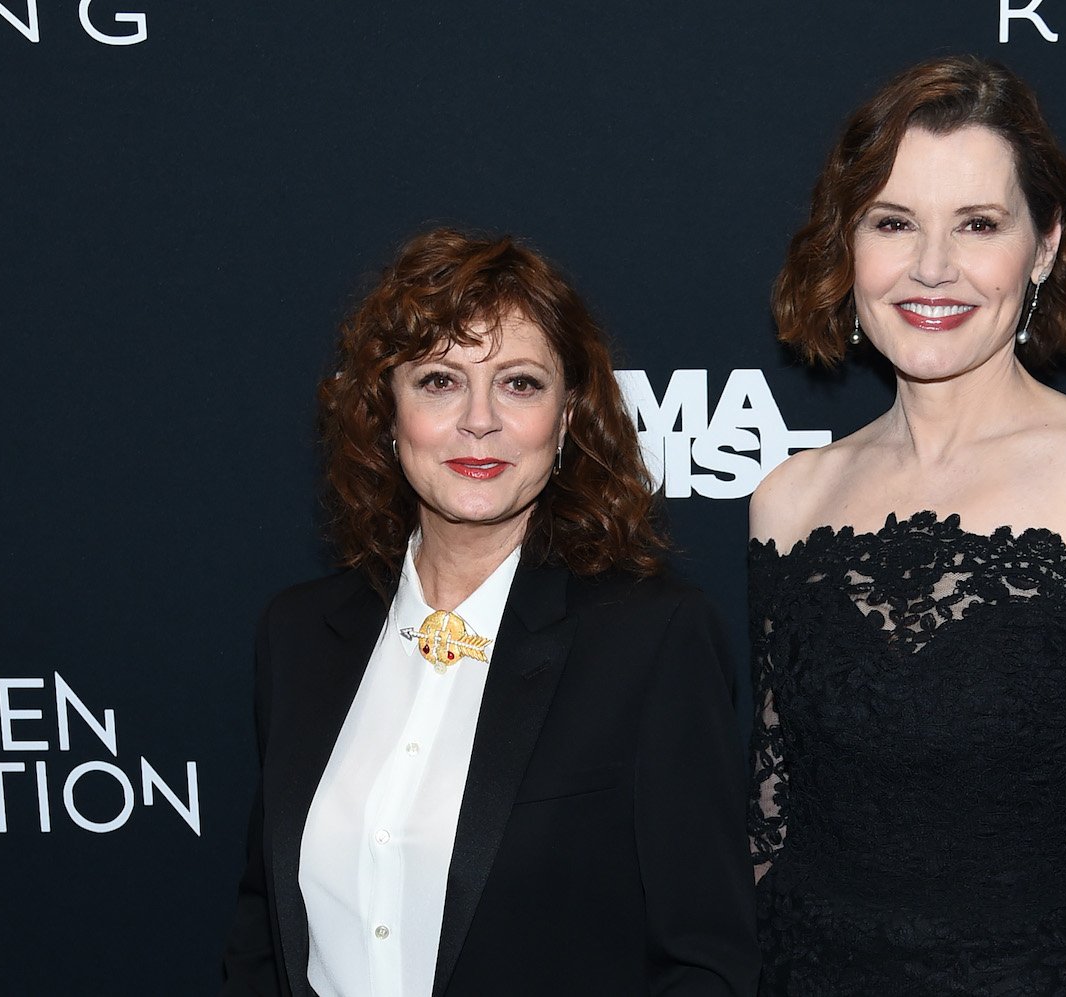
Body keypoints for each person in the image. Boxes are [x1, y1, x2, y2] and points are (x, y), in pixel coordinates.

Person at [749, 56, 1066, 996]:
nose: (932, 268)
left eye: (977, 224)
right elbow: (771, 830)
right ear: (848, 245)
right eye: (893, 223)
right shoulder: (789, 500)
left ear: (1044, 245)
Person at [221, 228, 758, 996]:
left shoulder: (653, 639)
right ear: (385, 409)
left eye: (519, 383)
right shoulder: (299, 634)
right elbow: (263, 934)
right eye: (440, 380)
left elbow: (707, 963)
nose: (480, 419)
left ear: (568, 417)